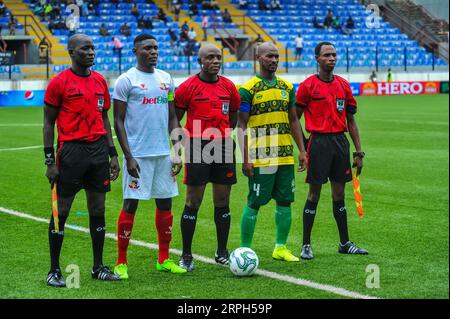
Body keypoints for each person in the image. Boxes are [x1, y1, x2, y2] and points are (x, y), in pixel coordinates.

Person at [43, 34, 121, 287]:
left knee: (97, 209)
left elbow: (105, 119)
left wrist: (112, 154)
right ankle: (54, 270)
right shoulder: (59, 82)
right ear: (71, 52)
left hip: (98, 151)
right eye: (85, 48)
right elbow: (48, 123)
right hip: (70, 152)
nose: (91, 52)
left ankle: (98, 267)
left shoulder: (100, 81)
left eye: (92, 48)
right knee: (61, 211)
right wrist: (49, 161)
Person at [112, 34, 187, 279]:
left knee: (165, 204)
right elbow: (118, 121)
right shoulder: (126, 81)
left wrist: (176, 151)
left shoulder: (166, 79)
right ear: (136, 50)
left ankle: (164, 259)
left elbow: (173, 117)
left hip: (163, 154)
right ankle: (121, 262)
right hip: (139, 156)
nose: (153, 51)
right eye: (148, 48)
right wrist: (129, 156)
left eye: (155, 47)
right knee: (130, 204)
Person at [295, 42, 368, 260]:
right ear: (317, 58)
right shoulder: (308, 86)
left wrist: (358, 152)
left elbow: (351, 121)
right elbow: (294, 120)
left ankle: (344, 243)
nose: (332, 58)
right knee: (314, 195)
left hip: (339, 143)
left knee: (339, 195)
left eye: (334, 55)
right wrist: (304, 146)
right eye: (327, 55)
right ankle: (306, 244)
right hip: (318, 143)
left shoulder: (344, 85)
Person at [237, 42, 307, 262]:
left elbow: (294, 120)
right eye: (270, 56)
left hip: (285, 155)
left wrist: (302, 151)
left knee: (285, 201)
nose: (274, 60)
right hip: (261, 157)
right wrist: (245, 158)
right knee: (254, 202)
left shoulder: (287, 87)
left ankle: (280, 247)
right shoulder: (247, 90)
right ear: (258, 57)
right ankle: (245, 249)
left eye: (277, 56)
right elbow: (241, 126)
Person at [174, 44, 241, 271]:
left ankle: (222, 251)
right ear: (199, 61)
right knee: (193, 202)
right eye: (209, 57)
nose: (215, 61)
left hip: (222, 145)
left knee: (222, 201)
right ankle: (186, 255)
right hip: (196, 146)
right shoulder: (187, 87)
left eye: (218, 57)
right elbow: (175, 119)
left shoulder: (229, 87)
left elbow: (233, 119)